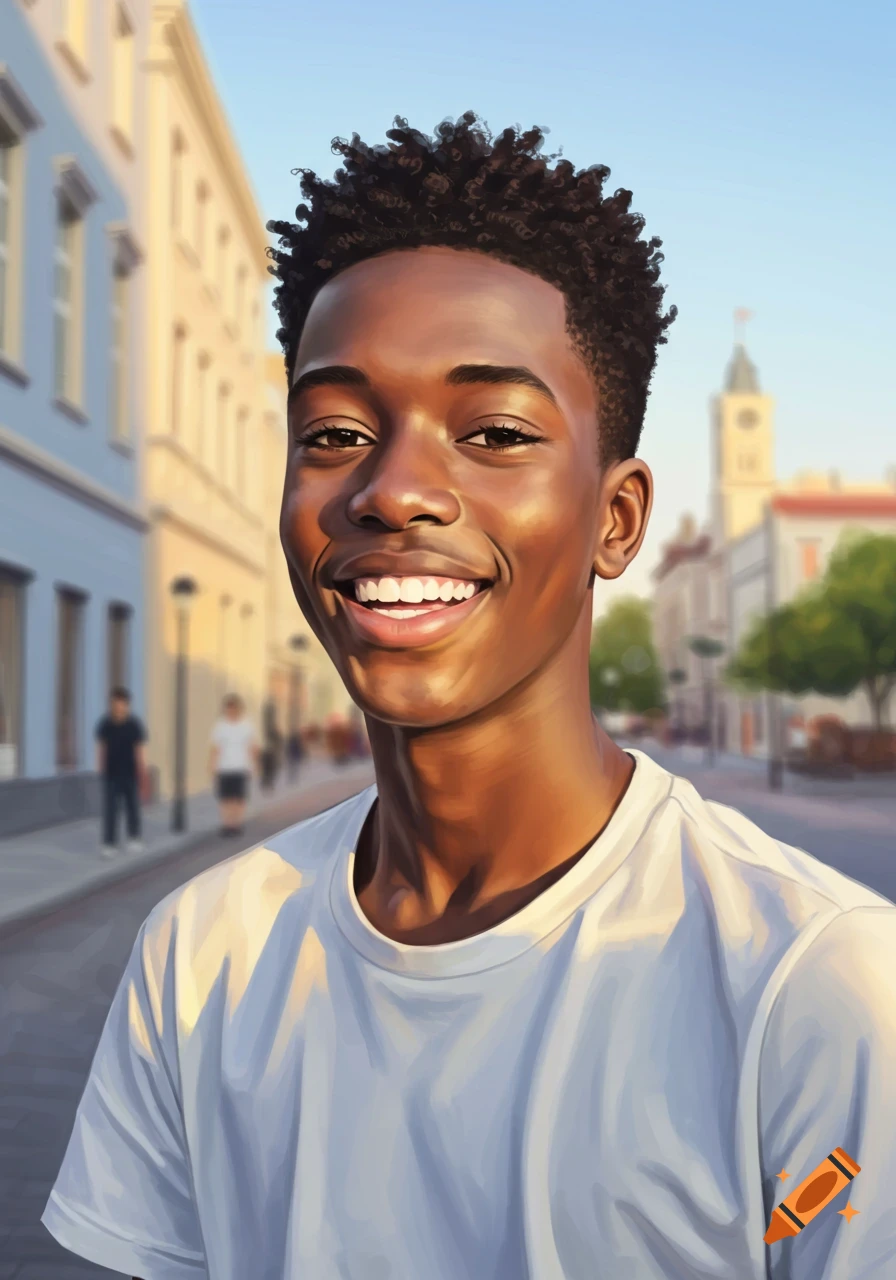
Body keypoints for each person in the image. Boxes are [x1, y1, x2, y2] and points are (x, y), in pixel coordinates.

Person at [45, 114, 896, 1279]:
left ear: (616, 517)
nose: (394, 491)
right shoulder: (203, 951)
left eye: (493, 431)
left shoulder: (815, 980)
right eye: (334, 431)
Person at [93, 687, 147, 858]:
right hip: (111, 774)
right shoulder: (105, 724)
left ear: (127, 705)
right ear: (112, 704)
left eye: (122, 703)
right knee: (110, 809)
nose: (119, 707)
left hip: (130, 773)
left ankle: (134, 838)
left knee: (132, 807)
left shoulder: (134, 725)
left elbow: (139, 750)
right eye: (116, 703)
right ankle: (109, 844)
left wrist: (142, 771)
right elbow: (101, 747)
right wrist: (100, 768)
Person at [208, 694, 258, 836]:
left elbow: (252, 747)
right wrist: (212, 765)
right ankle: (227, 824)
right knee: (225, 798)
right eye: (228, 709)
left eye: (234, 708)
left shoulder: (246, 726)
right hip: (224, 767)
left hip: (241, 766)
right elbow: (215, 748)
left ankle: (236, 824)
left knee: (239, 798)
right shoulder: (220, 726)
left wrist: (254, 765)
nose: (231, 711)